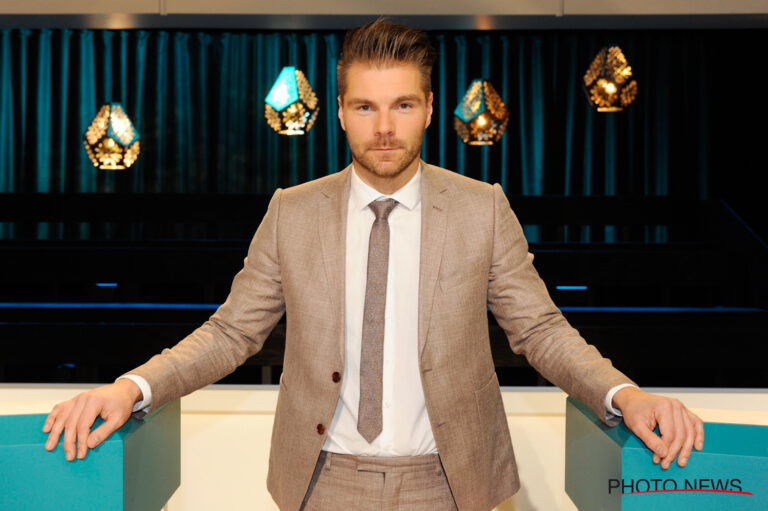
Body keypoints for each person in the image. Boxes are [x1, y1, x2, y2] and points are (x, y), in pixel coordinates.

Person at [42, 19, 704, 511]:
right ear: (340, 112)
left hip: (452, 482)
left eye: (402, 105)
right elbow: (231, 332)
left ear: (429, 110)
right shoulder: (291, 211)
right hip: (322, 480)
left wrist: (627, 394)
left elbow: (540, 330)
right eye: (365, 106)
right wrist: (130, 387)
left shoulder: (481, 208)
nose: (384, 126)